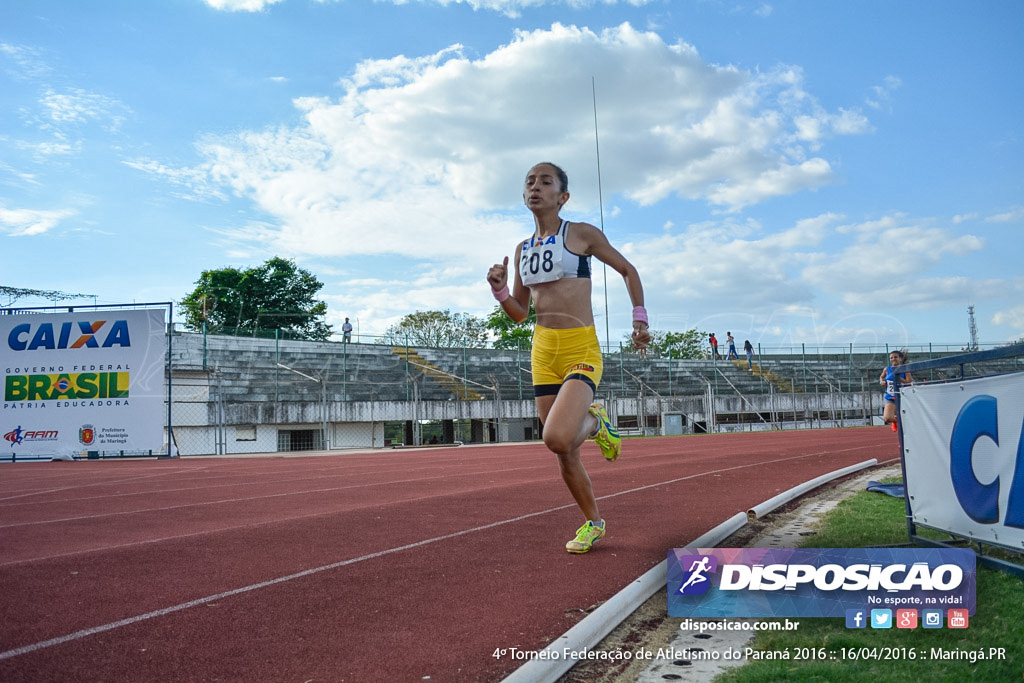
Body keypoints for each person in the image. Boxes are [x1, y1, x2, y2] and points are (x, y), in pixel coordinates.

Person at [487, 162, 650, 554]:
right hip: (543, 351)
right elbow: (521, 313)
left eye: (546, 182)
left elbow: (627, 269)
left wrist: (640, 319)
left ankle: (595, 423)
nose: (535, 187)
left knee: (556, 437)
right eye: (529, 182)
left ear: (563, 196)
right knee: (564, 451)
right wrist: (500, 292)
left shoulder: (580, 234)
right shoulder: (522, 249)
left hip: (580, 348)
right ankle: (593, 524)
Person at [880, 349, 912, 431]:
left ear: (900, 359)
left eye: (895, 357)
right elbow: (882, 377)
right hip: (890, 397)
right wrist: (882, 382)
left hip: (903, 397)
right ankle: (895, 421)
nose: (893, 359)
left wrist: (899, 378)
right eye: (891, 358)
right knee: (887, 418)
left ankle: (903, 440)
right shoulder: (887, 369)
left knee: (907, 420)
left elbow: (909, 381)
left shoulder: (905, 369)